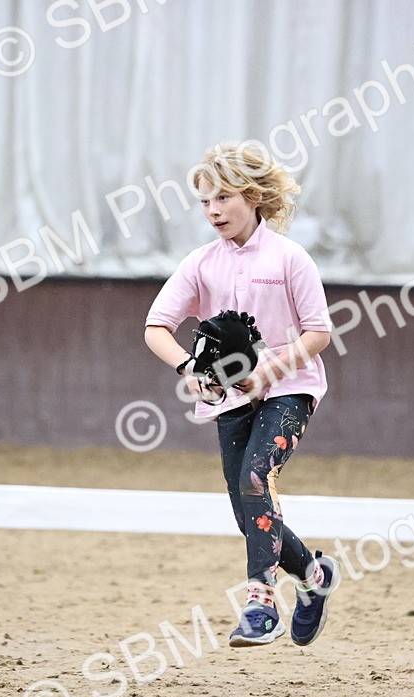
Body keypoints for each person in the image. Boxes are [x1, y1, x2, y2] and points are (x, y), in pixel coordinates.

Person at [144, 142, 339, 647]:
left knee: (256, 477)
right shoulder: (201, 262)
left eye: (223, 198)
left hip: (290, 389)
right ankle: (314, 579)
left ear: (252, 197)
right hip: (227, 397)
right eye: (205, 201)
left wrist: (270, 370)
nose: (212, 210)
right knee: (246, 506)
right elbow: (156, 326)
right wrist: (188, 367)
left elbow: (318, 333)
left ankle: (261, 604)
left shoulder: (290, 258)